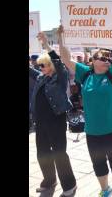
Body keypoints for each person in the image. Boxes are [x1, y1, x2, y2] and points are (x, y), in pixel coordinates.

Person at [58, 20, 112, 197]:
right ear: (93, 61)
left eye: (108, 58)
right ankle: (105, 190)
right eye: (103, 58)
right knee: (98, 163)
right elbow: (65, 59)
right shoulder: (85, 73)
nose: (107, 61)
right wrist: (61, 37)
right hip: (93, 131)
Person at [29, 33, 77, 197]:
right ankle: (49, 181)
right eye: (39, 65)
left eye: (43, 65)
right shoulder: (41, 77)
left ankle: (69, 185)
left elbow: (58, 61)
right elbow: (31, 71)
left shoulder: (60, 77)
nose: (40, 68)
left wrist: (46, 44)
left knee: (59, 153)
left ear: (51, 65)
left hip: (56, 121)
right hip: (40, 123)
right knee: (42, 153)